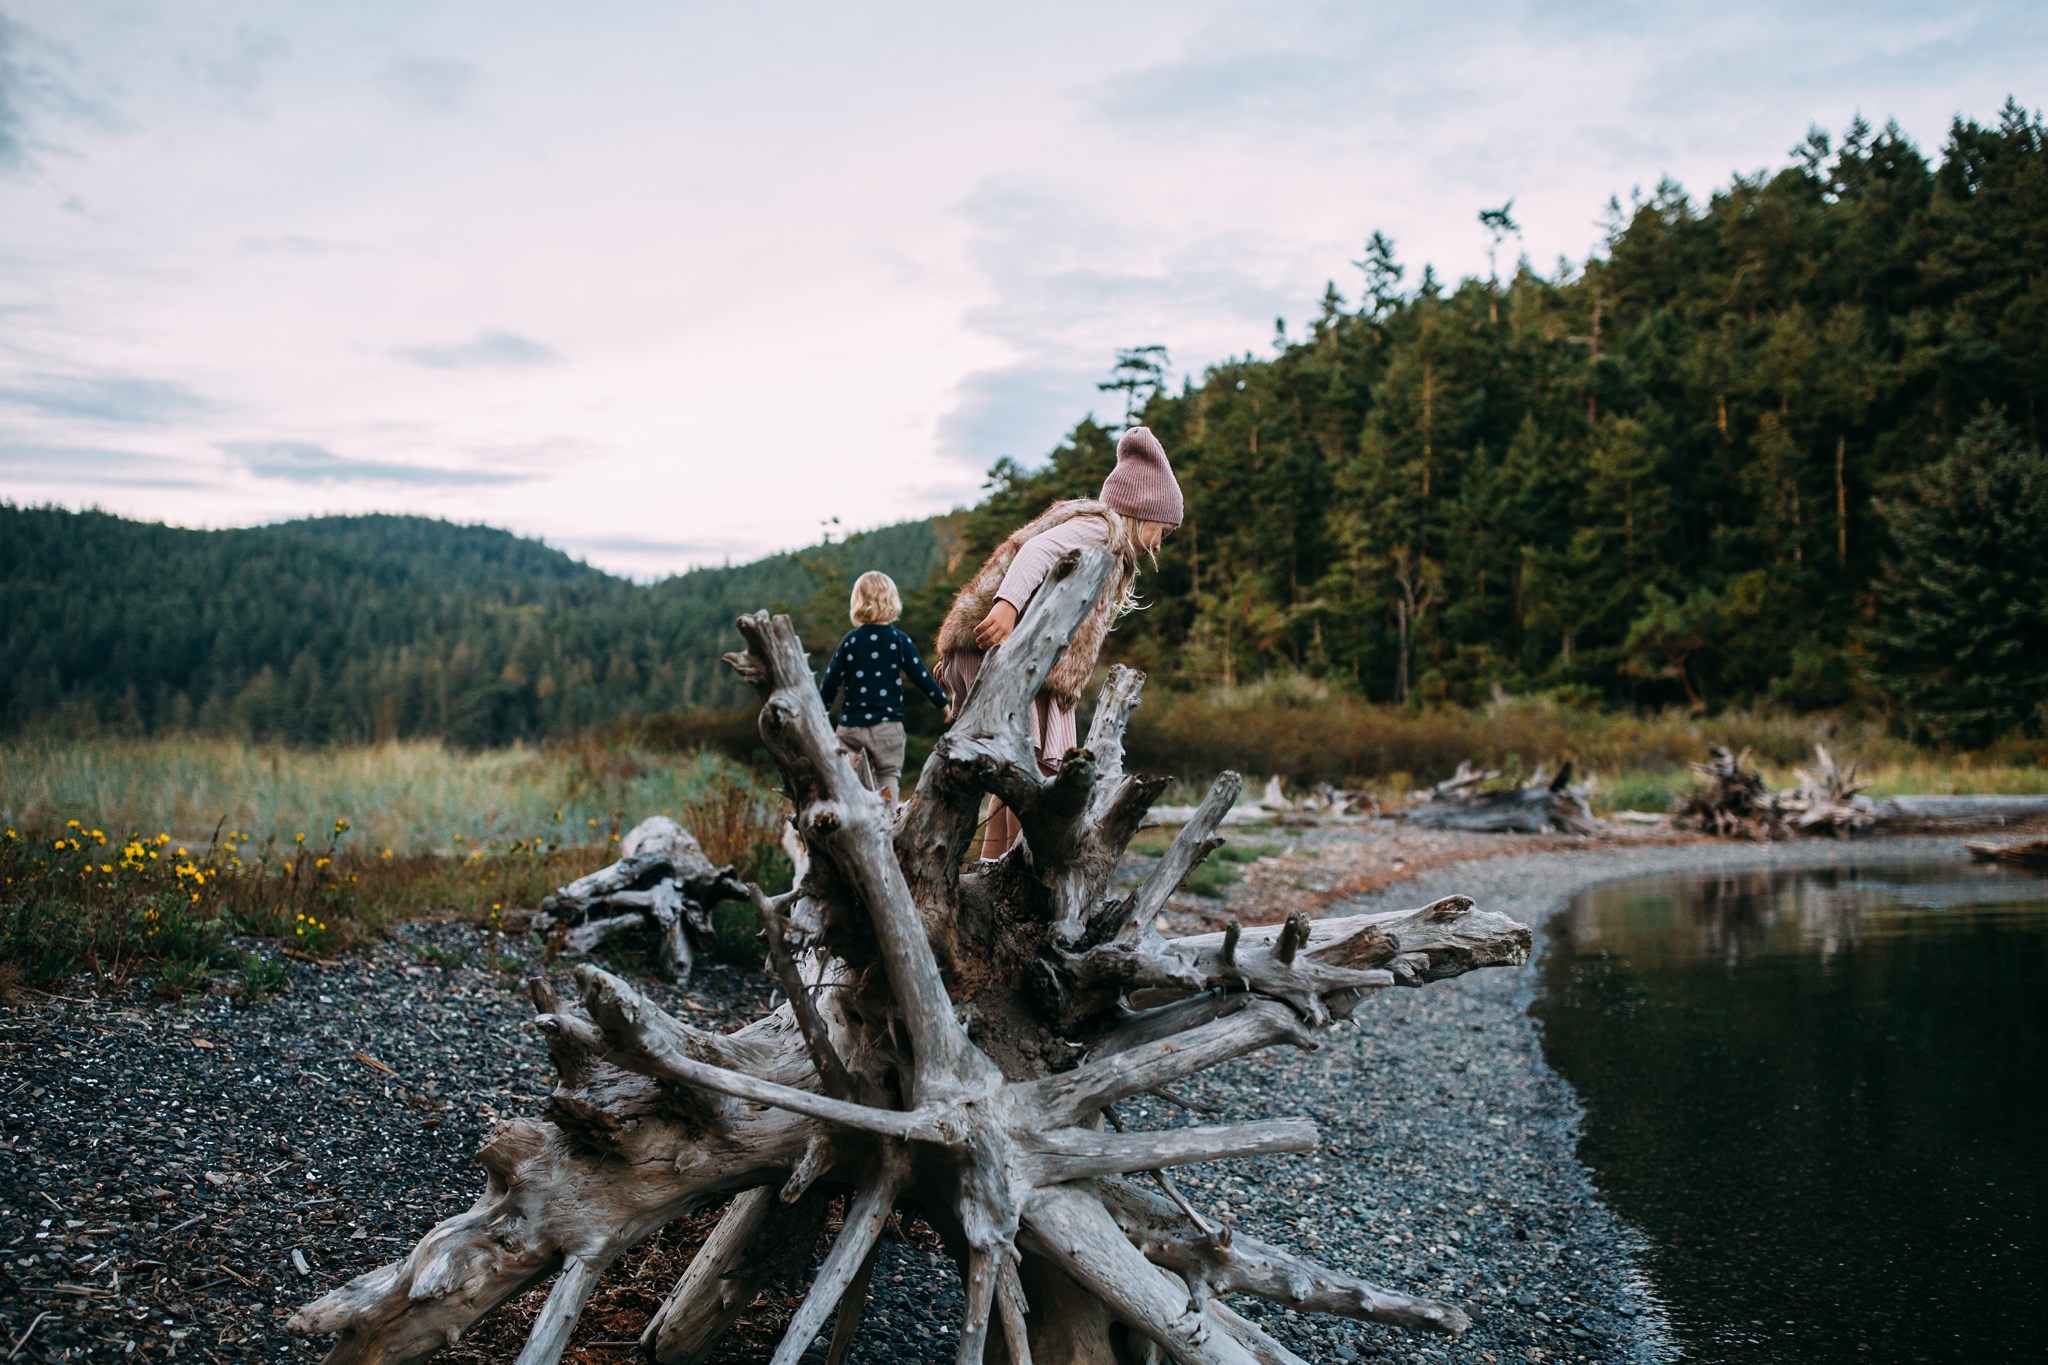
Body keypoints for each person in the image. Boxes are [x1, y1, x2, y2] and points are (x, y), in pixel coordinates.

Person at [937, 426, 1182, 857]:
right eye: (1161, 529)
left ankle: (994, 868)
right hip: (1009, 654)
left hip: (1028, 666)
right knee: (1030, 777)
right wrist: (1007, 606)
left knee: (1020, 778)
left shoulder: (1107, 547)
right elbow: (1036, 552)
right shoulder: (1100, 530)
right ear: (1140, 511)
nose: (1160, 544)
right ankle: (1012, 873)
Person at [819, 570, 951, 803]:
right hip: (887, 728)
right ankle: (886, 828)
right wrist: (943, 704)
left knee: (845, 780)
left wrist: (820, 714)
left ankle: (852, 820)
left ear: (857, 602)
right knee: (888, 776)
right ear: (892, 601)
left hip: (851, 728)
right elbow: (920, 675)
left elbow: (831, 681)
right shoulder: (898, 640)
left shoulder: (850, 640)